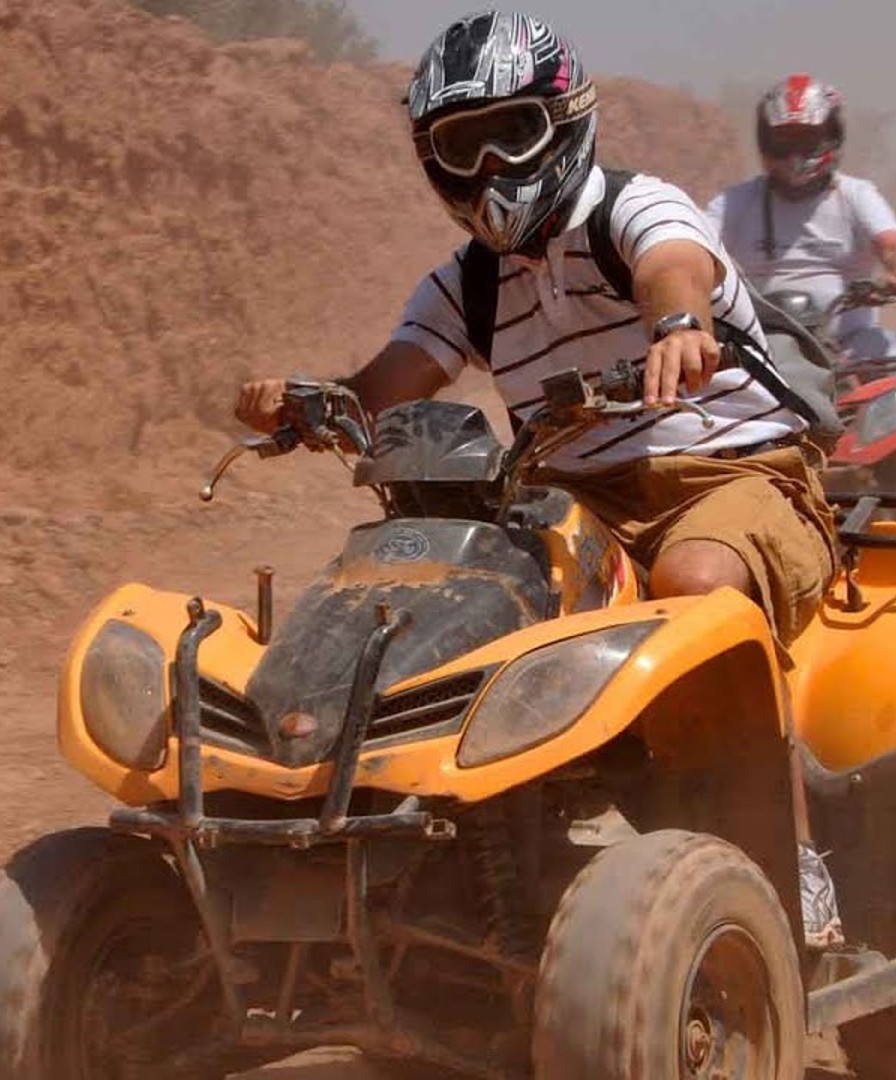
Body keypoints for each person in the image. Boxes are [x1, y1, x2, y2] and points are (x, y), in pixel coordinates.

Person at [235, 12, 842, 948]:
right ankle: (463, 873)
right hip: (572, 500)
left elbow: (672, 268)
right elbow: (389, 381)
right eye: (459, 146)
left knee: (694, 586)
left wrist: (680, 325)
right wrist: (307, 402)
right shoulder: (465, 286)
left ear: (564, 121)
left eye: (508, 134)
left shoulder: (638, 209)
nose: (487, 171)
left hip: (734, 471)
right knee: (438, 611)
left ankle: (791, 867)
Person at [707, 74, 896, 361]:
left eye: (806, 139)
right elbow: (694, 244)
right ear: (764, 140)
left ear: (832, 137)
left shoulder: (856, 195)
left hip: (850, 346)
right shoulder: (734, 202)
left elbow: (892, 244)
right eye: (784, 140)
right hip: (761, 348)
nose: (795, 153)